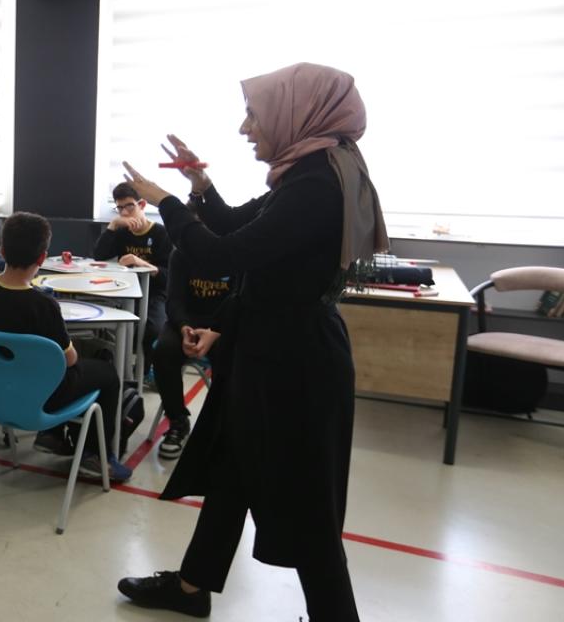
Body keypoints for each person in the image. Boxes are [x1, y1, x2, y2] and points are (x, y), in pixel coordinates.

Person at [116, 63, 387, 621]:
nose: (245, 129)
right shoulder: (311, 171)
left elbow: (222, 254)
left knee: (307, 506)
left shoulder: (317, 185)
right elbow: (236, 226)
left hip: (295, 364)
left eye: (254, 116)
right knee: (232, 466)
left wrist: (166, 201)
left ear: (296, 114)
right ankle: (192, 586)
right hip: (272, 349)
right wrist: (200, 187)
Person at [0, 212, 132, 482]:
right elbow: (70, 360)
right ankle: (94, 455)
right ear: (42, 258)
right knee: (105, 372)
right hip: (44, 396)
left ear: (1, 250)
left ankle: (54, 436)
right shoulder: (44, 305)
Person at [150, 244, 234, 460]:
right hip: (186, 320)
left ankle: (220, 425)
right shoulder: (181, 254)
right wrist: (183, 327)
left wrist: (216, 331)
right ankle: (177, 420)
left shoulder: (235, 251)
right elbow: (174, 301)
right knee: (163, 351)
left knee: (232, 356)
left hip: (223, 325)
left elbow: (239, 302)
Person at [93, 181, 173, 379]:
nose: (124, 213)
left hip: (155, 293)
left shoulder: (161, 233)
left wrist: (141, 263)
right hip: (127, 291)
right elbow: (99, 255)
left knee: (152, 329)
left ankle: (145, 370)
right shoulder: (121, 232)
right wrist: (112, 225)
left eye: (129, 206)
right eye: (119, 208)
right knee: (112, 323)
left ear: (142, 204)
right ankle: (119, 367)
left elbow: (168, 277)